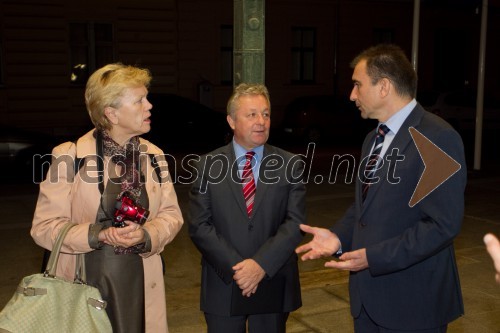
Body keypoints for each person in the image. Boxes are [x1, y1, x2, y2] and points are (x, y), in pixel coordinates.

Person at [296, 44, 467, 332]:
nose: (352, 95)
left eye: (357, 85)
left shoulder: (437, 137)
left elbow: (442, 225)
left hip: (413, 305)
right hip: (368, 303)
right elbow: (366, 206)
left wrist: (373, 257)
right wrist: (338, 237)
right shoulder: (373, 139)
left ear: (384, 86)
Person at [31, 63, 184, 333]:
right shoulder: (70, 156)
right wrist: (97, 234)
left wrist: (147, 235)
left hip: (142, 284)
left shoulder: (154, 156)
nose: (149, 106)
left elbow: (172, 216)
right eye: (139, 100)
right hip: (87, 283)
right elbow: (43, 229)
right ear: (111, 113)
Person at [188, 83, 305, 333]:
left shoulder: (290, 164)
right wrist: (240, 270)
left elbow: (295, 223)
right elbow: (199, 225)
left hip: (272, 278)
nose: (261, 121)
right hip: (224, 282)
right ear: (231, 121)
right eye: (251, 114)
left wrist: (260, 265)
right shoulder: (207, 165)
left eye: (265, 113)